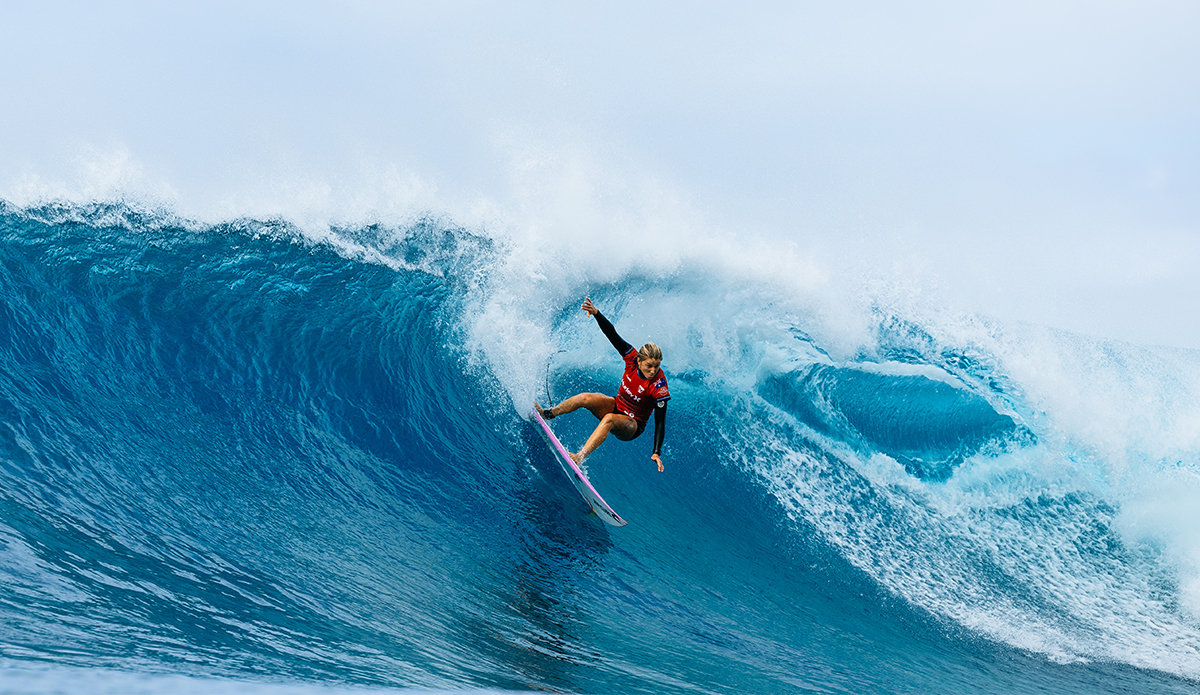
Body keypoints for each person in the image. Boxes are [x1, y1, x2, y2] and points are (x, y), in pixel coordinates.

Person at [537, 297, 670, 471]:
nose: (653, 371)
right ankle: (548, 414)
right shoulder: (631, 358)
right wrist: (596, 313)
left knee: (609, 419)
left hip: (632, 424)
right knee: (585, 398)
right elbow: (612, 334)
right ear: (639, 361)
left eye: (657, 366)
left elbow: (660, 422)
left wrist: (656, 452)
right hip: (617, 405)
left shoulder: (659, 386)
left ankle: (579, 457)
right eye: (649, 366)